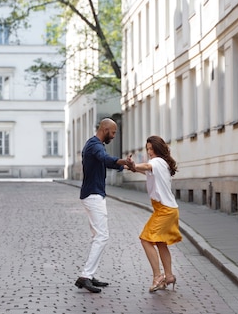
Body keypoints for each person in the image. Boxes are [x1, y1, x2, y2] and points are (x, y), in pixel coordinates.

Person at [75, 118, 134, 293]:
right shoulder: (95, 145)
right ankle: (85, 276)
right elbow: (105, 158)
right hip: (93, 195)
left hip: (93, 194)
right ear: (105, 129)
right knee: (102, 236)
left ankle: (90, 275)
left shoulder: (95, 145)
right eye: (113, 132)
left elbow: (105, 162)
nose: (114, 136)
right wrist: (123, 161)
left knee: (98, 236)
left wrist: (123, 165)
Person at [127, 135, 182, 293]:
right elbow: (143, 170)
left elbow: (146, 166)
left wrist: (135, 165)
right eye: (148, 149)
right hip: (167, 209)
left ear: (158, 149)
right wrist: (130, 166)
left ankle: (158, 276)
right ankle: (169, 276)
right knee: (160, 242)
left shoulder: (156, 162)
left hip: (165, 210)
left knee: (145, 239)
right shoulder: (161, 164)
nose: (149, 151)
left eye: (151, 149)